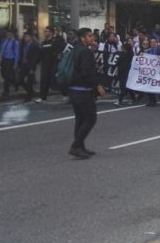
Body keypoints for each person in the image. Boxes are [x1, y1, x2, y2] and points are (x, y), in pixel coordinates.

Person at [67, 28, 106, 159]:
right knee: (90, 118)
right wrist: (98, 85)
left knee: (80, 118)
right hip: (83, 90)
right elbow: (86, 73)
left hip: (73, 89)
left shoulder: (74, 49)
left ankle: (81, 147)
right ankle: (76, 145)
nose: (93, 39)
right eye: (89, 36)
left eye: (93, 36)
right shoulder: (86, 52)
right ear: (82, 38)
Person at [35, 27, 65, 103]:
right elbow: (40, 54)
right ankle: (42, 97)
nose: (45, 33)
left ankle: (65, 93)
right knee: (44, 80)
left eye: (47, 31)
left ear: (51, 32)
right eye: (45, 31)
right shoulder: (44, 43)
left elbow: (60, 50)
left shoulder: (55, 41)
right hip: (45, 64)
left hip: (54, 64)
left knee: (57, 80)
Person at [18, 32, 40, 102]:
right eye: (24, 37)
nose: (25, 38)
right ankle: (30, 91)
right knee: (20, 79)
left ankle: (29, 96)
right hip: (24, 65)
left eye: (27, 37)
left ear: (30, 37)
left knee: (29, 82)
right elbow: (21, 55)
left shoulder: (34, 46)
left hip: (30, 66)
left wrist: (33, 68)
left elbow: (35, 58)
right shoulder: (23, 45)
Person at [0, 29, 20, 97]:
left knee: (7, 76)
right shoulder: (4, 41)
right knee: (3, 74)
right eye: (7, 34)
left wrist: (16, 63)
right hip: (4, 60)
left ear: (12, 35)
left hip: (10, 60)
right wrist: (1, 58)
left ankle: (6, 91)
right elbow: (2, 49)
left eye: (9, 34)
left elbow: (17, 53)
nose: (7, 36)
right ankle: (15, 83)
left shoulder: (15, 42)